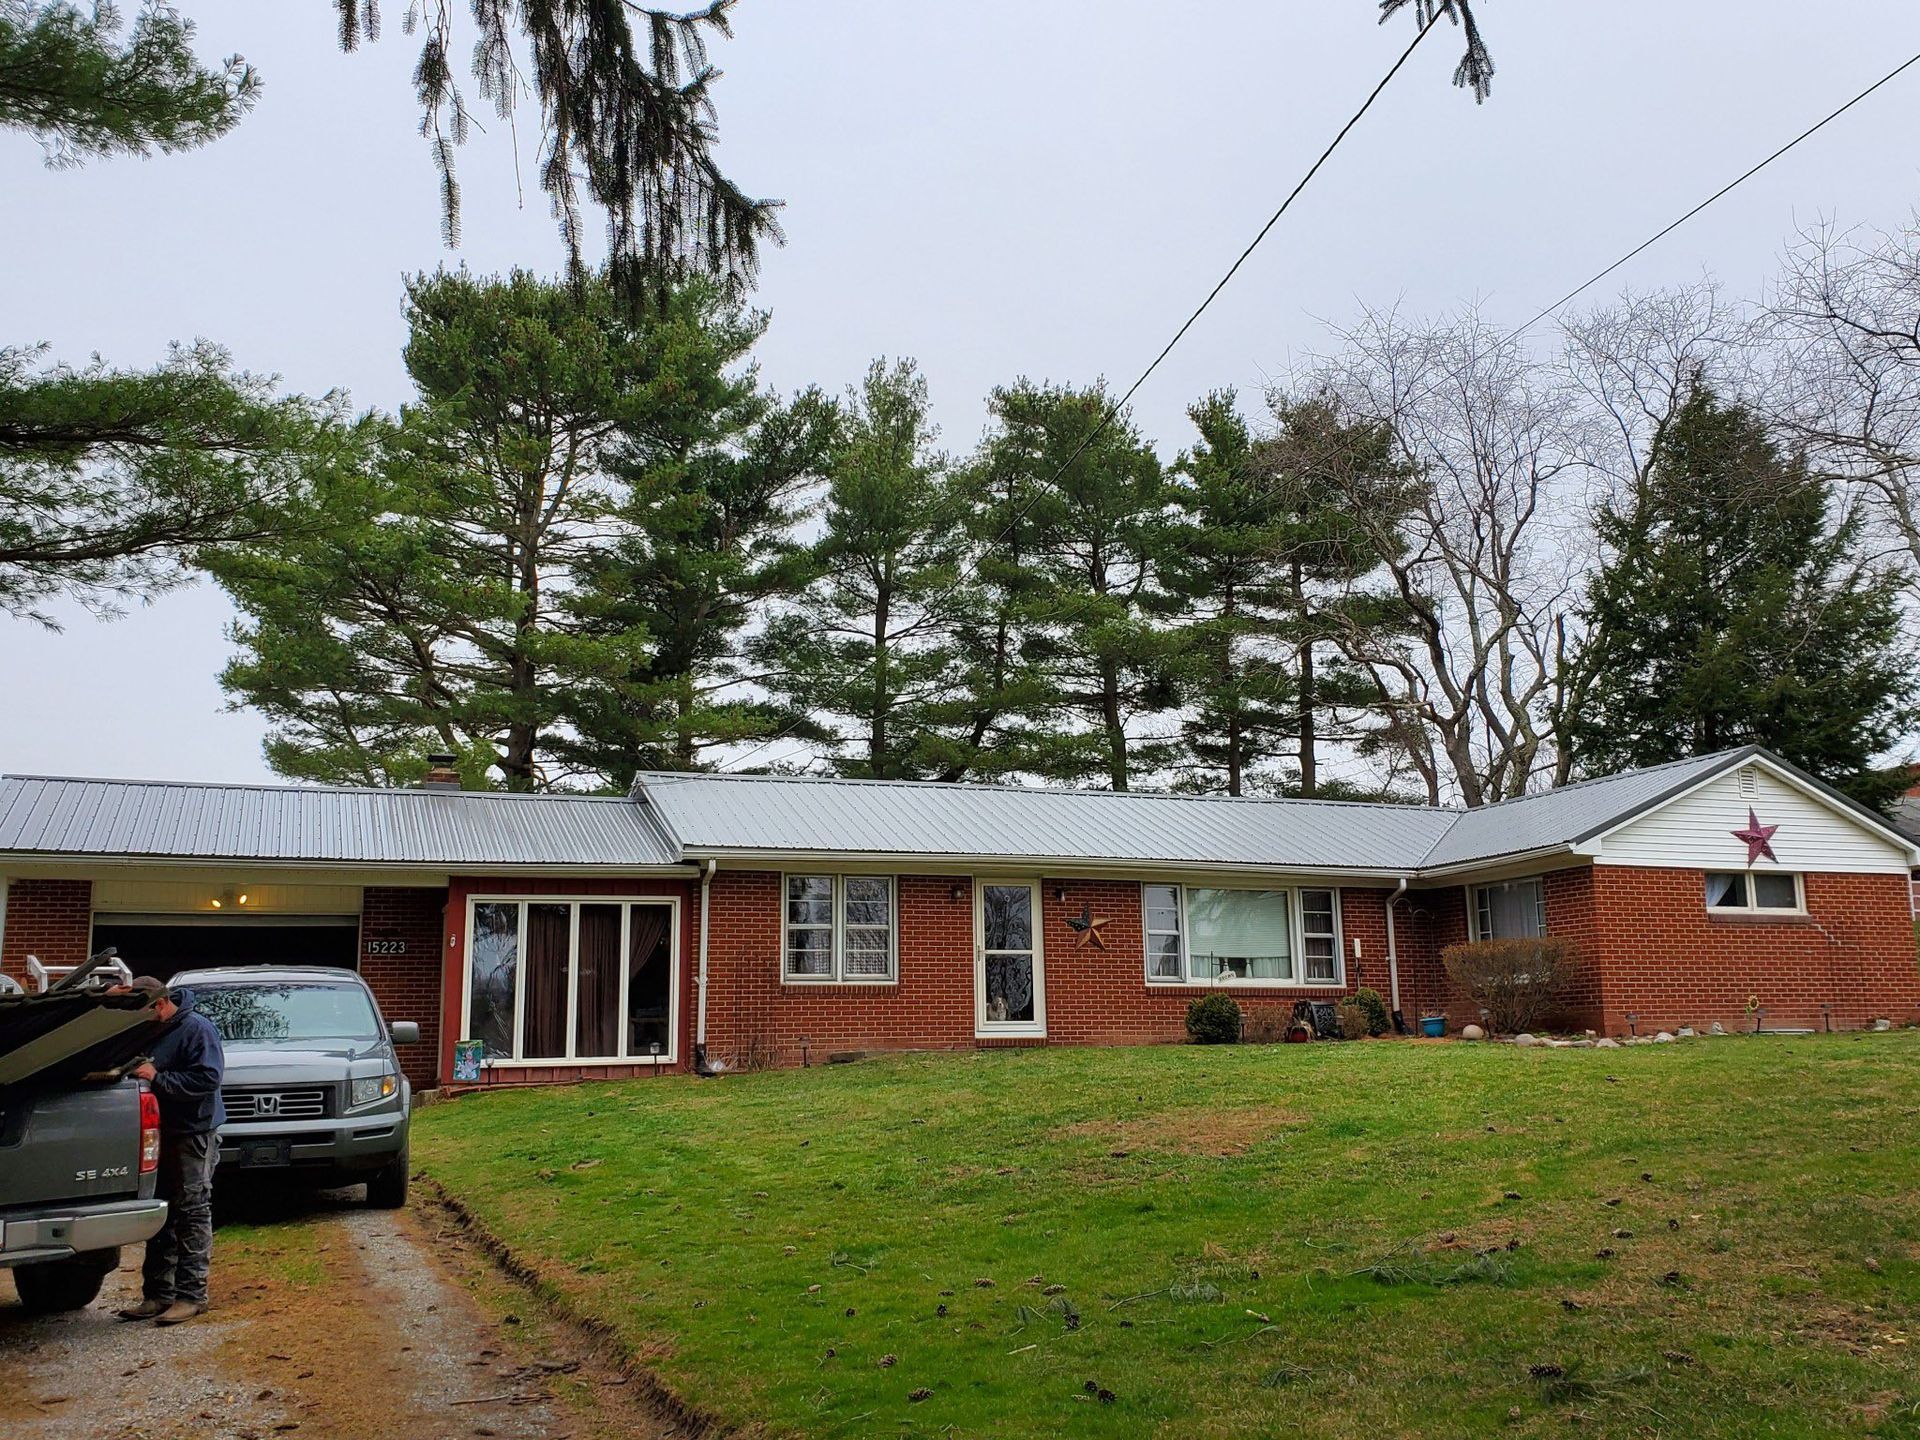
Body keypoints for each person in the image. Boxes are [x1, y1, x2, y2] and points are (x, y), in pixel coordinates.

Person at [112, 976, 226, 1324]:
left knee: (192, 1210)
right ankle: (157, 1294)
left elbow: (208, 1079)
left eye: (144, 1012)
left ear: (160, 1004)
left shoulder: (197, 1030)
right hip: (156, 1132)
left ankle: (192, 1296)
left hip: (192, 1133)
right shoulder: (150, 1027)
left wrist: (157, 1077)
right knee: (160, 1212)